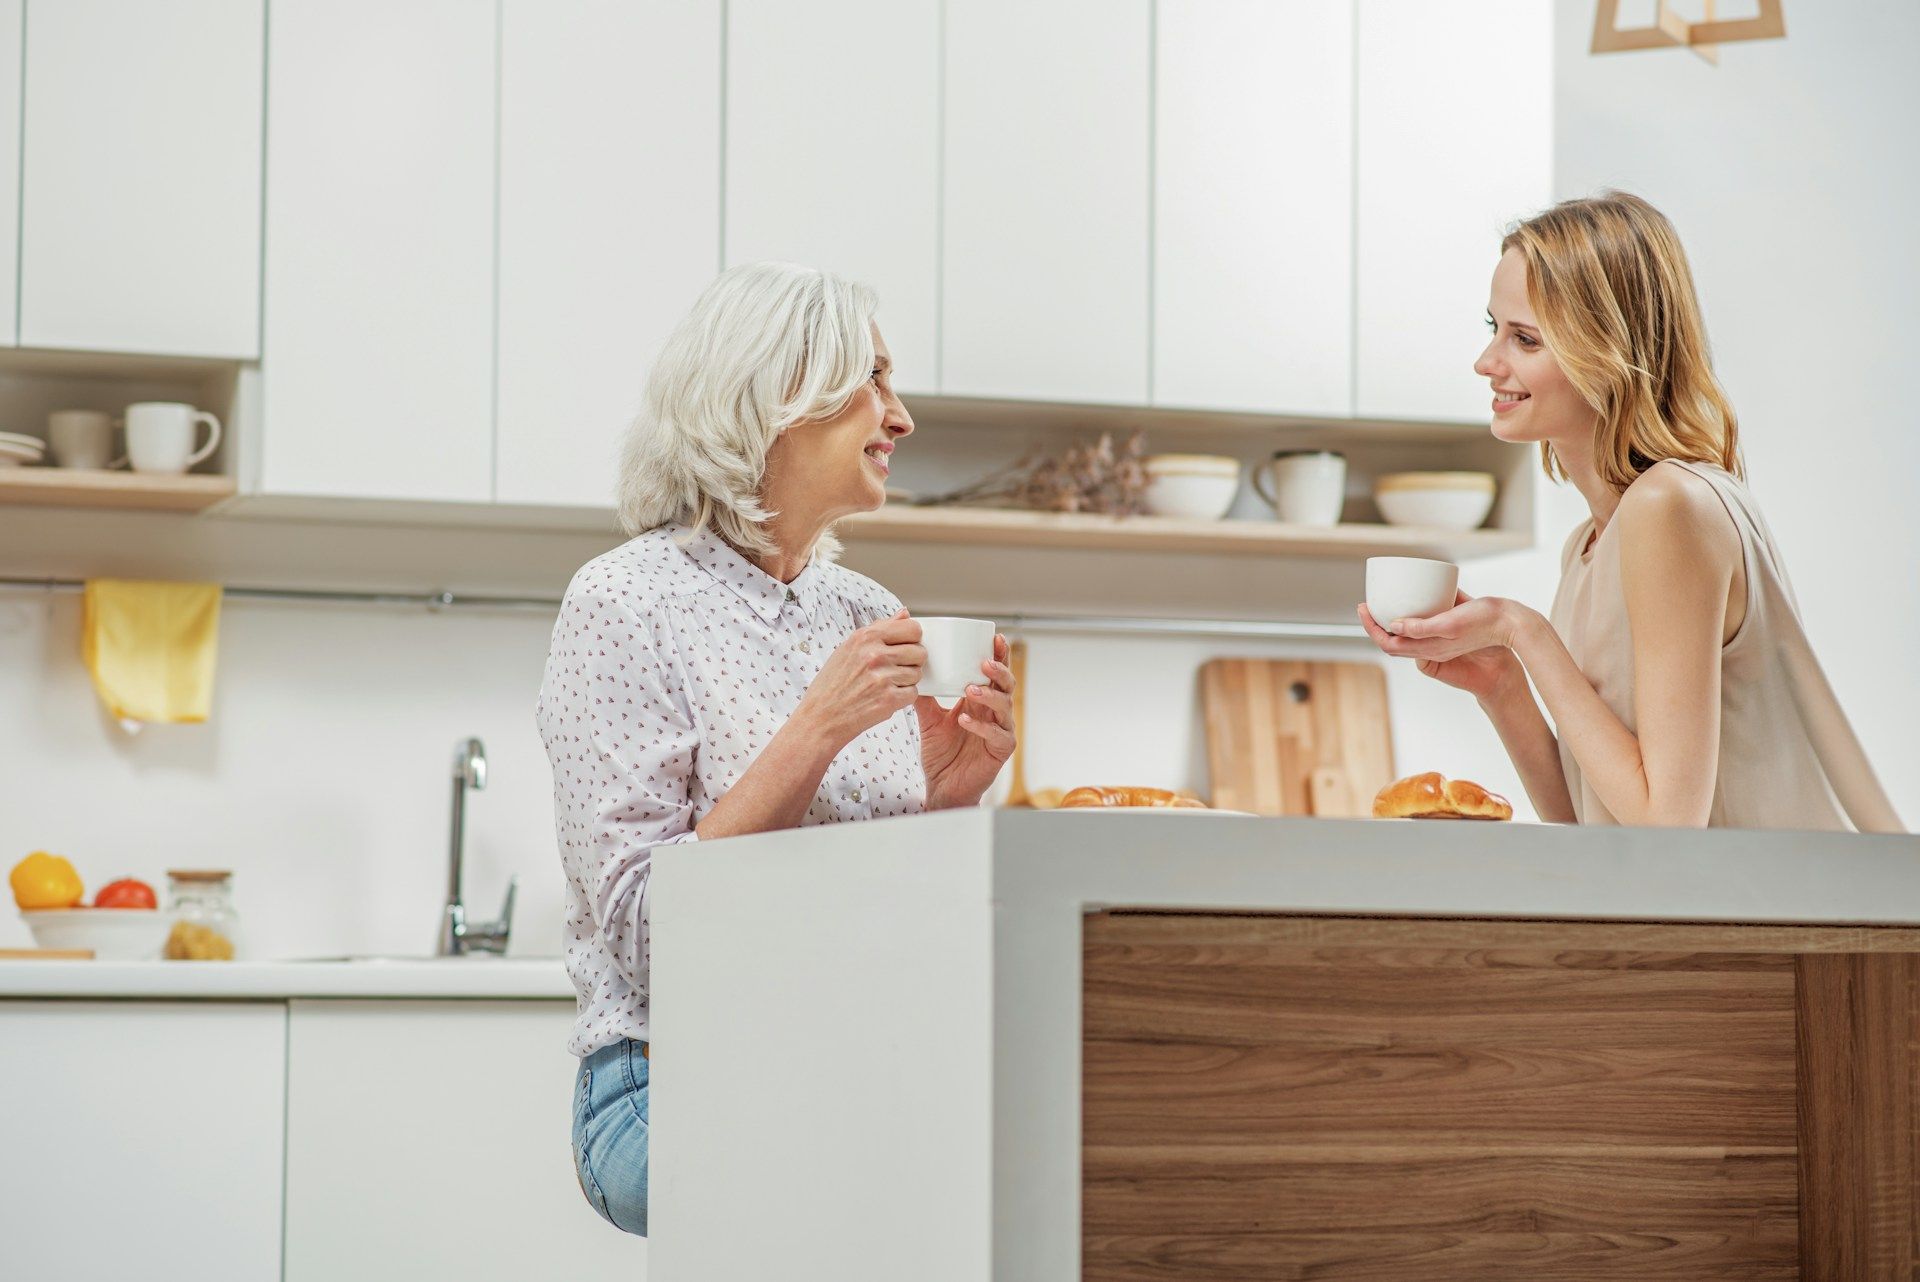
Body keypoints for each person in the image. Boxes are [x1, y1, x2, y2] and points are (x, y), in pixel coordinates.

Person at [537, 263, 1018, 1236]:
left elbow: (888, 919)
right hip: (660, 1080)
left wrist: (952, 797)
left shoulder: (867, 610)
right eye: (871, 381)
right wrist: (816, 731)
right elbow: (646, 937)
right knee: (905, 1195)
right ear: (774, 402)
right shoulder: (624, 602)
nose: (903, 416)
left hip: (849, 1057)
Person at [1362, 191, 1900, 833]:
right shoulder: (1592, 542)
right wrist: (1502, 682)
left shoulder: (1669, 508)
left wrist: (1521, 630)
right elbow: (1597, 823)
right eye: (1493, 329)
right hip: (1743, 915)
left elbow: (1667, 828)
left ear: (1606, 353)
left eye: (1525, 339)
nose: (1487, 363)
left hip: (1804, 924)